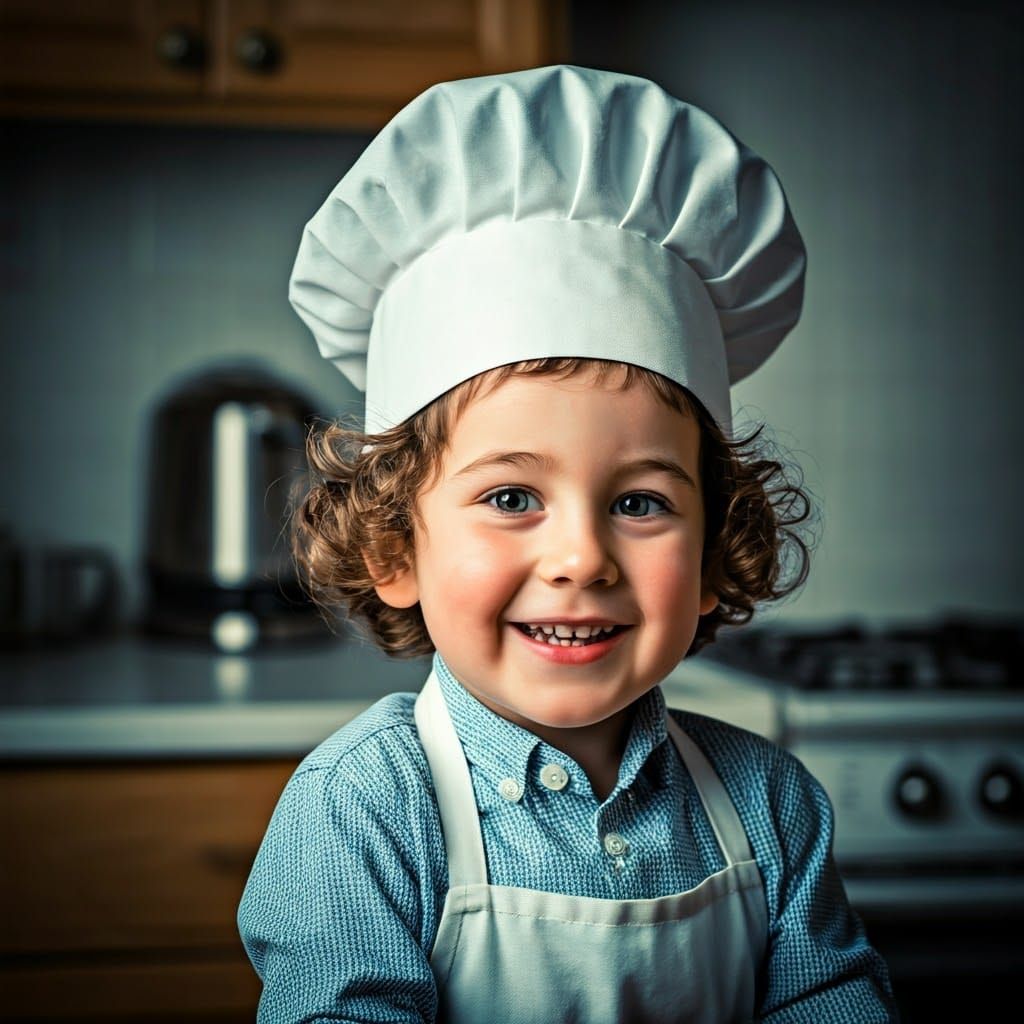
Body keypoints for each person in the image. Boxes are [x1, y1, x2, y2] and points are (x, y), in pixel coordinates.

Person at [237, 64, 899, 1023]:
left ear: (715, 555)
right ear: (395, 551)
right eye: (512, 495)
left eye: (640, 504)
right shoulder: (366, 811)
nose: (582, 557)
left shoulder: (771, 806)